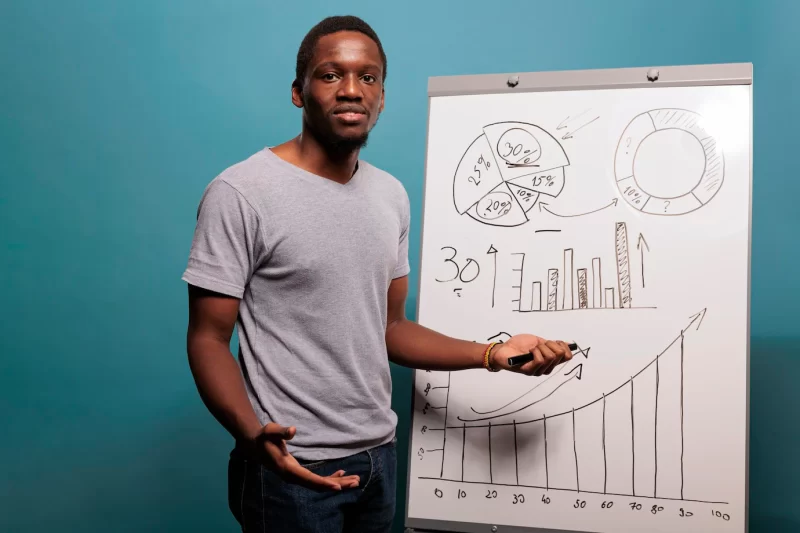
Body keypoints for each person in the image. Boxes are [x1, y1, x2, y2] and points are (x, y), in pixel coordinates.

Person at [181, 15, 573, 533]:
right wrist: (252, 435)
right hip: (291, 466)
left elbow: (390, 329)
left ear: (382, 96)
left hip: (378, 460)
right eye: (330, 75)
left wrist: (492, 353)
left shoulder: (390, 195)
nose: (351, 90)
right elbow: (209, 338)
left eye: (368, 77)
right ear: (298, 92)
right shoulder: (241, 193)